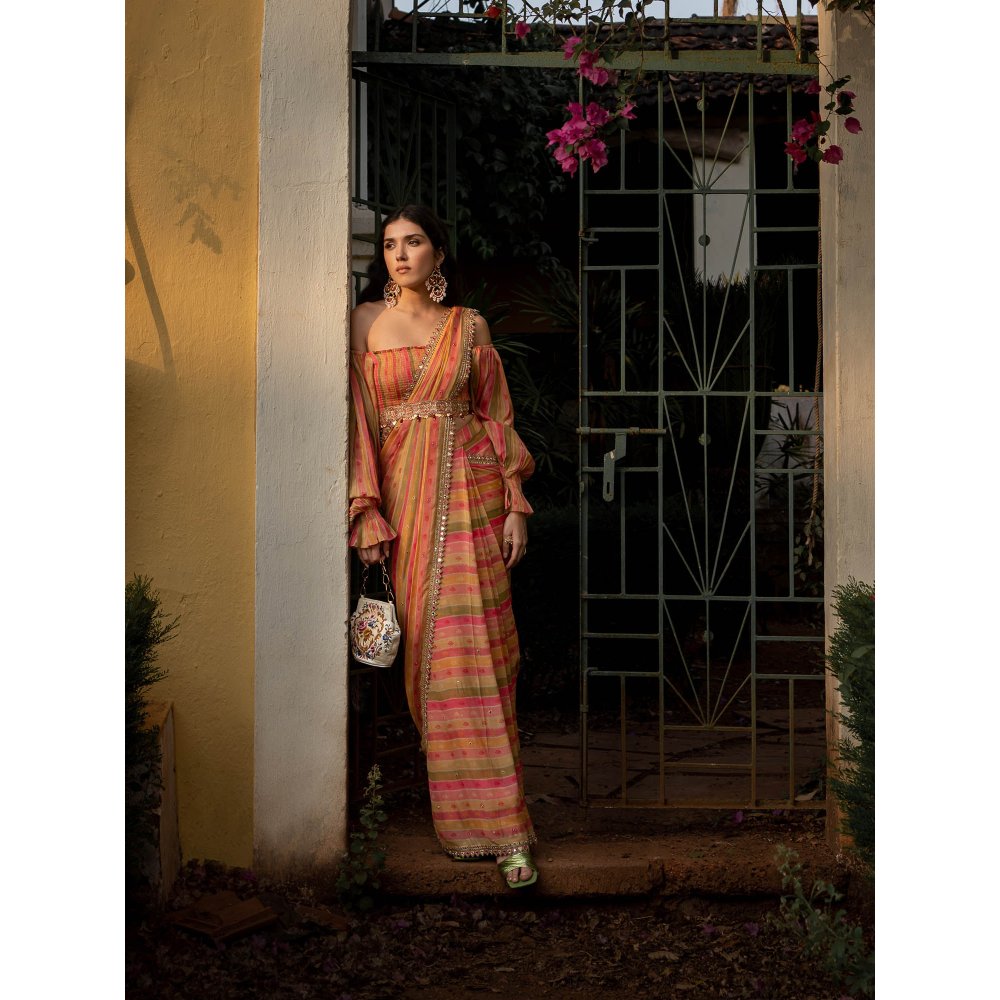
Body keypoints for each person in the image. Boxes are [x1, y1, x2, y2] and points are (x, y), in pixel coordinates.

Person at [348, 204, 538, 888]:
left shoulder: (469, 326)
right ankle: (465, 817)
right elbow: (359, 424)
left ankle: (507, 830)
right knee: (434, 655)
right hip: (408, 505)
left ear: (438, 253)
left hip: (474, 497)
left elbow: (496, 416)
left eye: (414, 242)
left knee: (481, 654)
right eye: (389, 244)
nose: (400, 254)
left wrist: (515, 505)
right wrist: (366, 512)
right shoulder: (365, 323)